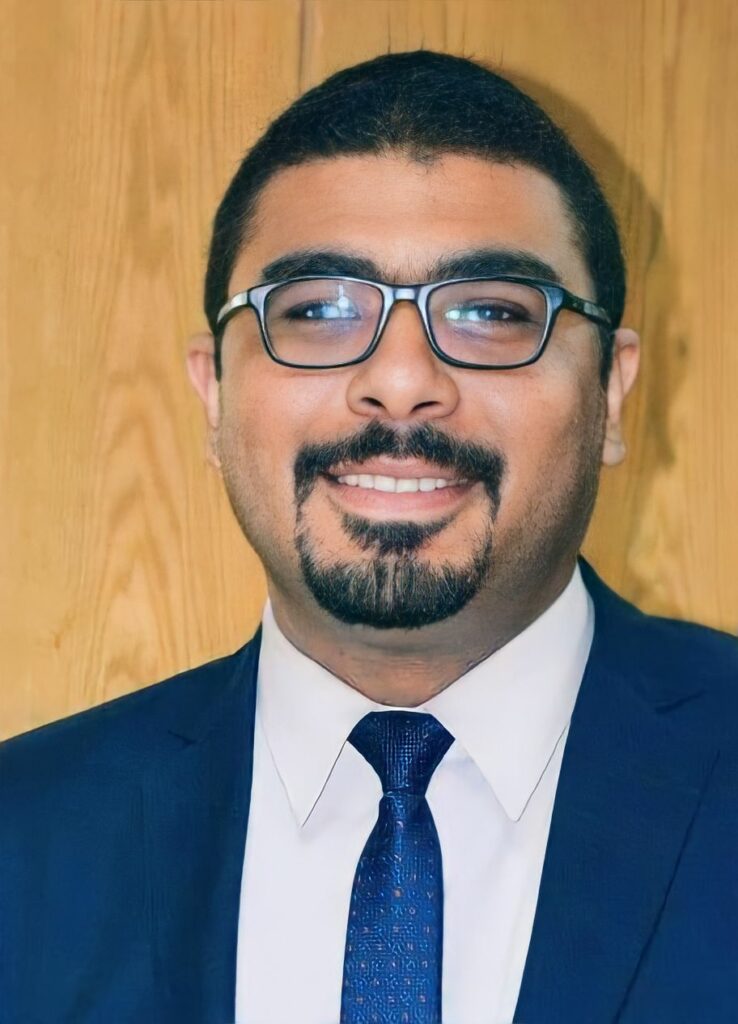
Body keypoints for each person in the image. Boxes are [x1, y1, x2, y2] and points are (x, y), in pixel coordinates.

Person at [1, 49, 736, 1024]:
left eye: (489, 312)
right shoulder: (24, 840)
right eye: (319, 310)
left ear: (611, 391)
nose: (399, 381)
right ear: (213, 394)